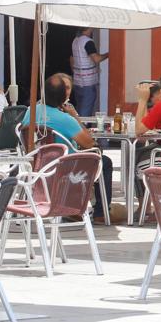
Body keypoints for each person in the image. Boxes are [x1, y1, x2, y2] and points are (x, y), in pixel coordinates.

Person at [20, 75, 118, 222]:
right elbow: (89, 143)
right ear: (63, 97)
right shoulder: (66, 119)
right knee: (105, 162)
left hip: (35, 165)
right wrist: (75, 116)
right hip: (64, 167)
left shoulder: (31, 111)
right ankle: (100, 213)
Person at [70, 27, 108, 117]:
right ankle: (83, 129)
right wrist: (108, 54)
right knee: (85, 112)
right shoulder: (88, 42)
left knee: (79, 109)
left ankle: (79, 127)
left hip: (77, 80)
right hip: (88, 82)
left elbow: (71, 59)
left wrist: (76, 72)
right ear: (88, 28)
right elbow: (96, 58)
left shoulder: (75, 41)